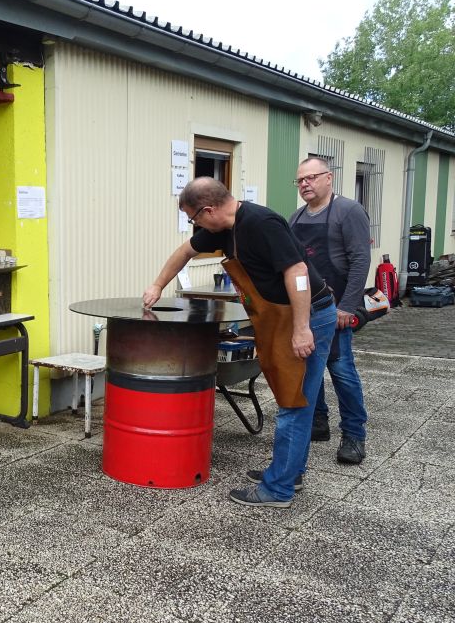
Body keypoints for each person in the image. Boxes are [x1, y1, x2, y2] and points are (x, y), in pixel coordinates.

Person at [143, 178, 336, 508]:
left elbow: (297, 272)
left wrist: (303, 328)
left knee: (294, 401)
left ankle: (278, 490)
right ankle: (289, 473)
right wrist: (157, 285)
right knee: (294, 396)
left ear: (208, 210)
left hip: (309, 315)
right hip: (282, 317)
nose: (195, 226)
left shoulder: (262, 223)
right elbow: (185, 251)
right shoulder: (222, 229)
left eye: (194, 218)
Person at [289, 158, 369, 465]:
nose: (305, 184)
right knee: (309, 367)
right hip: (305, 307)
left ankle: (354, 434)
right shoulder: (296, 217)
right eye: (300, 180)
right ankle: (318, 422)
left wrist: (347, 307)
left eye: (311, 177)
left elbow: (360, 260)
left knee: (341, 369)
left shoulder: (348, 211)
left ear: (329, 178)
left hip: (337, 307)